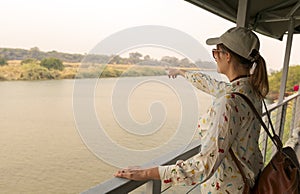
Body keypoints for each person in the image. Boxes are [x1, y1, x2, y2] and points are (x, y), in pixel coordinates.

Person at [114, 27, 269, 193]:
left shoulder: (229, 102)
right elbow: (213, 85)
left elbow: (205, 165)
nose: (215, 57)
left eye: (216, 52)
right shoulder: (251, 92)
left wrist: (148, 172)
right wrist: (182, 72)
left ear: (227, 56)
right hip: (250, 180)